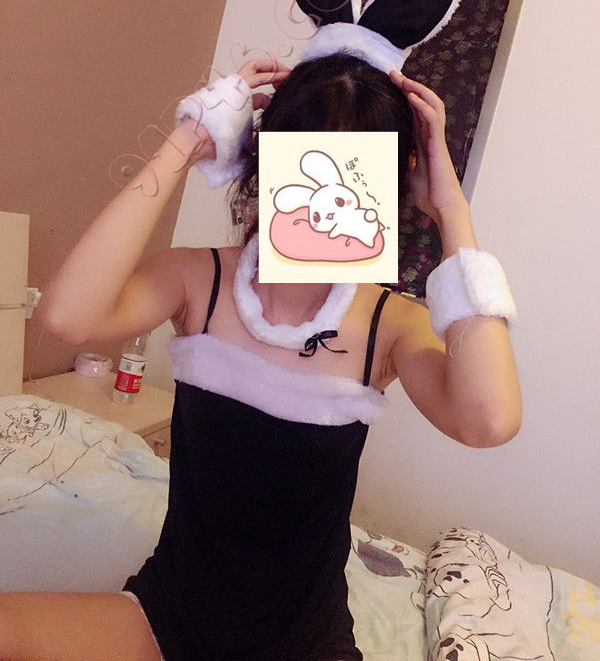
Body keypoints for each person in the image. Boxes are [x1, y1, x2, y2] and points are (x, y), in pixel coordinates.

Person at [0, 53, 522, 661]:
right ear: (265, 160)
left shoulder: (392, 324)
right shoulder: (199, 279)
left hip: (302, 644)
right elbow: (66, 317)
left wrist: (451, 209)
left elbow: (488, 421)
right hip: (169, 615)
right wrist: (187, 140)